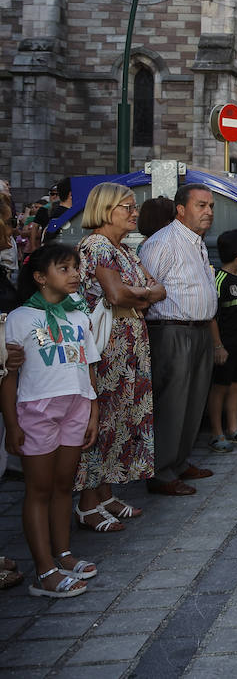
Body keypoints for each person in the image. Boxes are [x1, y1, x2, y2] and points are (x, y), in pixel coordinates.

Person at [1, 243, 100, 598]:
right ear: (41, 277)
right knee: (38, 490)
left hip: (76, 406)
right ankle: (43, 570)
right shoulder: (20, 318)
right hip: (36, 410)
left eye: (76, 267)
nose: (75, 274)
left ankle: (63, 553)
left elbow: (88, 368)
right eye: (65, 268)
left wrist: (93, 411)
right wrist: (12, 424)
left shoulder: (79, 315)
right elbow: (9, 376)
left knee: (63, 485)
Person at [73, 184, 163, 533]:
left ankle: (105, 494)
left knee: (120, 421)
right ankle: (87, 503)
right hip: (108, 347)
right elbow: (115, 293)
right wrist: (138, 295)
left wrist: (135, 295)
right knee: (103, 419)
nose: (134, 212)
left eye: (134, 206)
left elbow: (158, 289)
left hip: (130, 344)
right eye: (126, 206)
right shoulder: (96, 246)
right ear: (106, 209)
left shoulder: (124, 249)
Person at [139, 183, 218, 497]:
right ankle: (160, 470)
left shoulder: (196, 242)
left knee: (194, 399)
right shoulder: (163, 243)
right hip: (172, 330)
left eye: (211, 206)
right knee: (171, 401)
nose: (209, 212)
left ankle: (180, 460)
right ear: (181, 210)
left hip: (197, 330)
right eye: (201, 205)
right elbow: (145, 288)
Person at [204, 230, 237, 454]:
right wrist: (218, 346)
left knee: (236, 386)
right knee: (220, 388)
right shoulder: (220, 281)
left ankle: (234, 428)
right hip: (225, 347)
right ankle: (216, 433)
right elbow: (213, 316)